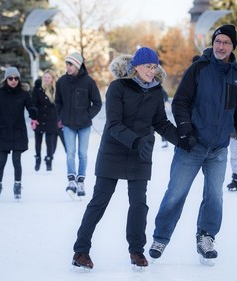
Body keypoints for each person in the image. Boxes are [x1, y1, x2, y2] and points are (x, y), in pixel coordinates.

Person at [149, 24, 237, 265]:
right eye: (218, 41)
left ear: (232, 46)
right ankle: (160, 237)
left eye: (226, 42)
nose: (221, 46)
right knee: (175, 194)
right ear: (213, 43)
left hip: (218, 150)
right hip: (192, 146)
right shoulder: (198, 69)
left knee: (215, 197)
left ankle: (206, 237)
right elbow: (180, 102)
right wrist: (184, 129)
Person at [71, 47, 178, 270]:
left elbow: (160, 122)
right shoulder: (117, 87)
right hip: (113, 151)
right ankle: (80, 251)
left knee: (139, 204)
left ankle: (136, 251)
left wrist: (183, 140)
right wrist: (138, 141)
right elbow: (113, 124)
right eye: (148, 66)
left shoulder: (156, 91)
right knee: (99, 202)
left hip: (140, 154)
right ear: (136, 66)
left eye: (154, 66)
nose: (152, 70)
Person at [0, 67, 36, 200]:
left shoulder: (23, 93)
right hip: (3, 132)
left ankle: (17, 185)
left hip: (18, 132)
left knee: (16, 160)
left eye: (16, 78)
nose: (14, 81)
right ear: (6, 79)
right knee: (2, 161)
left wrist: (33, 111)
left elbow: (31, 106)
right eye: (10, 78)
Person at [55, 52, 102, 199]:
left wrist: (88, 115)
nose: (67, 67)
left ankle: (80, 181)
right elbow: (58, 102)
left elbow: (97, 103)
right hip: (68, 124)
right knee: (70, 153)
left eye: (70, 64)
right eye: (66, 64)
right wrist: (61, 116)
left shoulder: (89, 82)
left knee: (82, 154)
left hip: (84, 125)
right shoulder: (61, 82)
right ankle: (71, 181)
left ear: (78, 65)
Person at [30, 69, 58, 172]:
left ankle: (49, 160)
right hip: (39, 119)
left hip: (51, 120)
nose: (46, 79)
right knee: (38, 141)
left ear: (52, 79)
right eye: (45, 77)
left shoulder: (55, 90)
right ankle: (38, 159)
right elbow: (33, 103)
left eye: (48, 78)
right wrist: (33, 117)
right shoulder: (38, 89)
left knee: (49, 142)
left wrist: (59, 117)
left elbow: (59, 104)